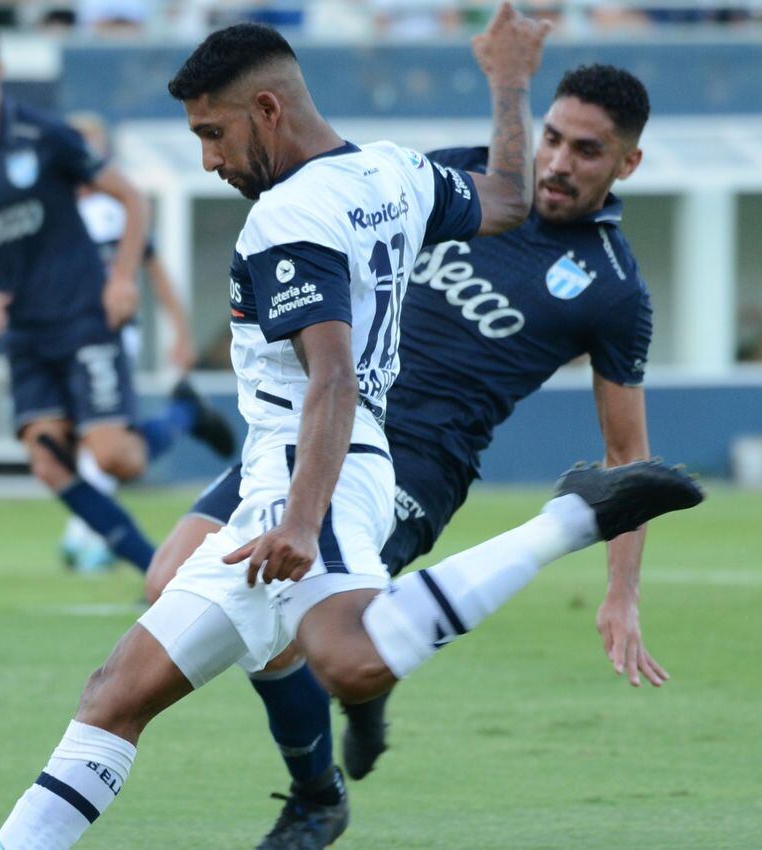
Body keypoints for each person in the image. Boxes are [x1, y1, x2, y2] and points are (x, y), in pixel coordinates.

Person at [0, 12, 701, 850]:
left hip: (347, 466)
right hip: (278, 464)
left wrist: (300, 517)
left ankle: (568, 519)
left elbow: (332, 376)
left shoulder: (289, 218)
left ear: (265, 109)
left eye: (213, 135)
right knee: (117, 687)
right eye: (554, 139)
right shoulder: (399, 172)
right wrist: (509, 86)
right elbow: (506, 197)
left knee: (351, 657)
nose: (209, 160)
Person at [142, 62, 665, 848]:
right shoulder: (461, 176)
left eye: (587, 151)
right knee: (170, 577)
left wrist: (622, 592)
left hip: (416, 468)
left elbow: (628, 454)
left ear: (627, 164)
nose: (558, 162)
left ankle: (322, 779)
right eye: (552, 138)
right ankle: (336, 755)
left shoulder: (613, 290)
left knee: (292, 623)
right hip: (312, 429)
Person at [0, 13, 234, 575]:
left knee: (115, 457)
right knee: (48, 462)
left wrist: (119, 281)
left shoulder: (44, 137)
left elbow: (133, 198)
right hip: (26, 333)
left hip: (85, 316)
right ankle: (156, 571)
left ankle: (184, 415)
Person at [59, 112, 201, 572]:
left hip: (109, 333)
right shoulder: (58, 206)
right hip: (66, 334)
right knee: (87, 437)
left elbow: (155, 271)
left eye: (90, 143)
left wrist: (180, 330)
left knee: (104, 436)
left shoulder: (114, 209)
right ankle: (184, 415)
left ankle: (91, 536)